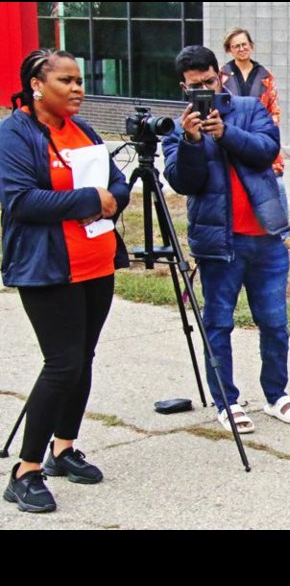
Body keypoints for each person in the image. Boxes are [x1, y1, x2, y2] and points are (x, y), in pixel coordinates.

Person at [0, 49, 131, 513]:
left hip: (96, 264)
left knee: (83, 359)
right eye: (67, 80)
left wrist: (111, 197)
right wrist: (91, 199)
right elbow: (21, 201)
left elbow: (118, 184)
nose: (78, 88)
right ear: (37, 85)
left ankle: (63, 448)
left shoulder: (83, 130)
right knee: (62, 363)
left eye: (79, 80)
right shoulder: (15, 134)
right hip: (48, 268)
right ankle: (25, 471)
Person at [162, 45, 290, 434]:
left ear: (220, 76)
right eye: (196, 87)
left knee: (275, 323)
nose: (205, 91)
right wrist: (193, 142)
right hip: (219, 243)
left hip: (266, 238)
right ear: (184, 87)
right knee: (219, 323)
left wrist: (225, 133)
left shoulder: (249, 109)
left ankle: (276, 395)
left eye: (210, 82)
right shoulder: (178, 128)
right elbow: (182, 181)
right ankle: (226, 401)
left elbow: (266, 151)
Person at [220, 28, 290, 255]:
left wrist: (267, 136)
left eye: (244, 44)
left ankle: (283, 236)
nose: (241, 49)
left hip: (260, 137)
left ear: (251, 45)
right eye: (236, 45)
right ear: (230, 49)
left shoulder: (265, 75)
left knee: (277, 185)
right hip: (231, 138)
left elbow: (273, 110)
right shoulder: (222, 75)